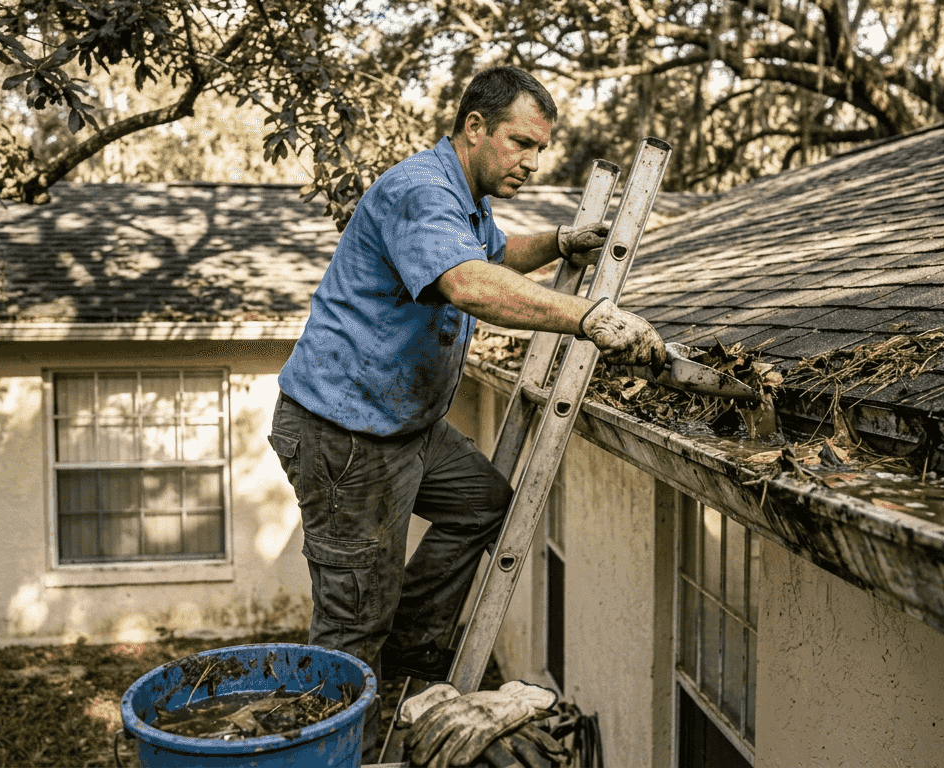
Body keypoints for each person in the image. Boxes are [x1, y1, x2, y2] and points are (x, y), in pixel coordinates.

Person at [268, 65, 665, 758]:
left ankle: (406, 639)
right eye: (520, 143)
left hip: (400, 430)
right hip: (345, 438)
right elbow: (466, 280)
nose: (532, 162)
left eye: (539, 148)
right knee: (350, 628)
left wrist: (558, 246)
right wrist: (590, 315)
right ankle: (337, 753)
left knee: (484, 505)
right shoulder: (423, 190)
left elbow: (494, 252)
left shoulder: (464, 198)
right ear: (474, 127)